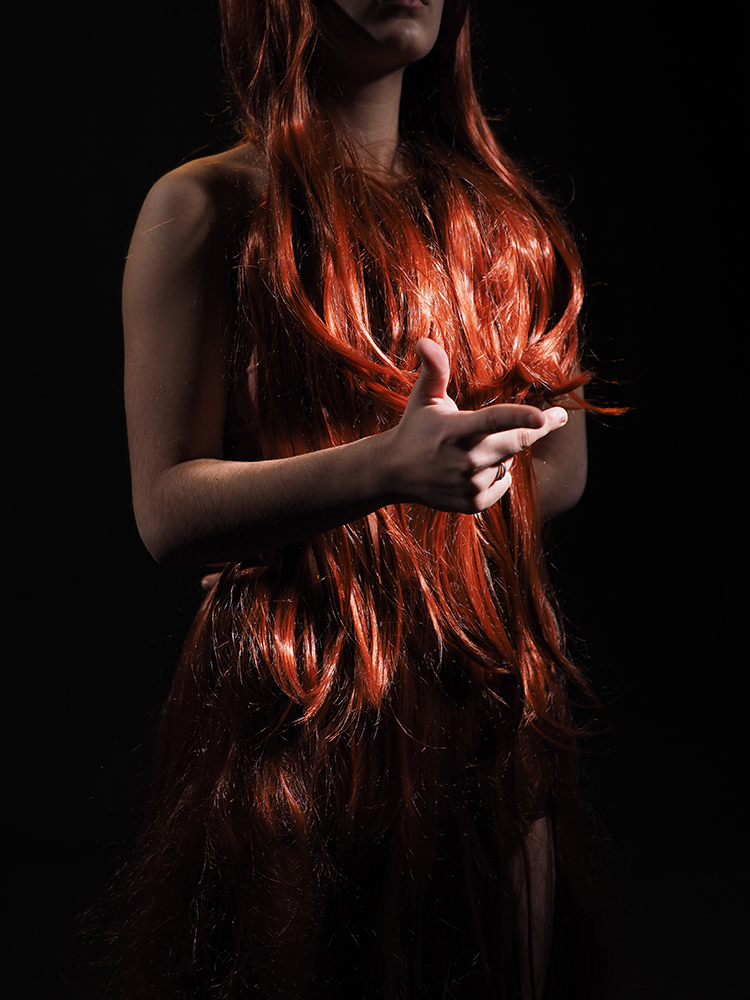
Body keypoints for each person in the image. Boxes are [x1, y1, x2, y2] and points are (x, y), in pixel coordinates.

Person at [122, 1, 607, 996]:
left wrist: (472, 468)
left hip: (486, 700)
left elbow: (562, 467)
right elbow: (166, 506)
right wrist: (387, 469)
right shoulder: (208, 207)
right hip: (296, 708)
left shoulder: (499, 223)